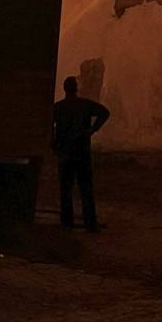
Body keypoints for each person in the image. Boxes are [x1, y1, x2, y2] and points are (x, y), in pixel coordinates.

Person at [52, 75, 110, 232]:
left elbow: (48, 125)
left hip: (65, 153)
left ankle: (66, 223)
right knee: (86, 189)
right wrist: (92, 129)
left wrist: (54, 145)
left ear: (64, 89)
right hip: (82, 152)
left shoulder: (58, 107)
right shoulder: (84, 105)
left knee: (65, 189)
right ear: (76, 88)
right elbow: (105, 112)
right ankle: (90, 224)